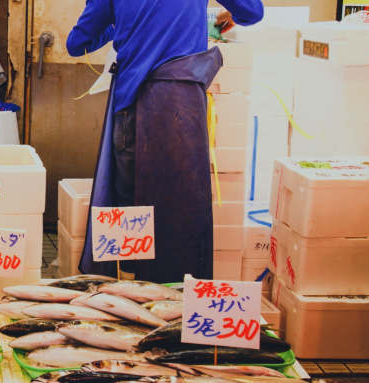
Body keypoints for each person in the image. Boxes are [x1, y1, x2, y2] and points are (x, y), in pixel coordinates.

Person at [69, 1, 263, 282]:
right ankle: (175, 310)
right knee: (181, 220)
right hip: (182, 108)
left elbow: (78, 43)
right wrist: (230, 13)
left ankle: (126, 302)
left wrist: (120, 25)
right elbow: (253, 13)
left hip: (131, 106)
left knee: (130, 213)